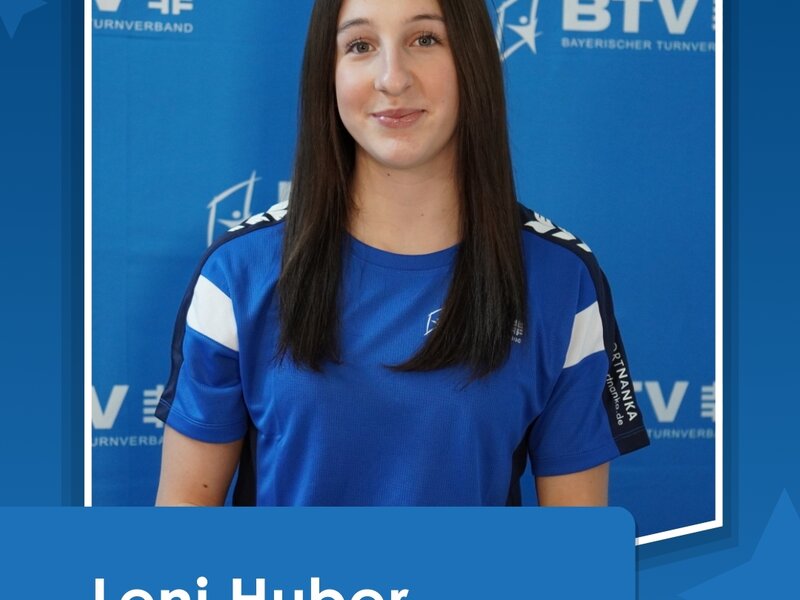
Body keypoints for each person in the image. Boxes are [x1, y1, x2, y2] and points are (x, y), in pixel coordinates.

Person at [155, 0, 649, 507]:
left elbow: (574, 543)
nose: (392, 78)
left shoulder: (561, 279)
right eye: (360, 45)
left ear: (473, 58)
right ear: (328, 72)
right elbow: (182, 528)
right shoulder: (239, 272)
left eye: (425, 39)